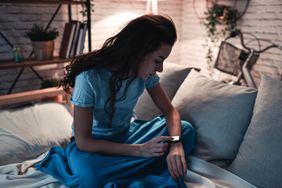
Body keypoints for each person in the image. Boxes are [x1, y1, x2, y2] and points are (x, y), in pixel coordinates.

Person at [35, 14, 195, 188]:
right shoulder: (89, 77)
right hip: (94, 146)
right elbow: (83, 141)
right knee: (90, 177)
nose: (160, 68)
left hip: (128, 135)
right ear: (139, 50)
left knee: (185, 129)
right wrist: (140, 150)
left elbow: (170, 111)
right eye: (158, 60)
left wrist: (176, 144)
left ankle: (132, 166)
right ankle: (145, 166)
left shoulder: (146, 76)